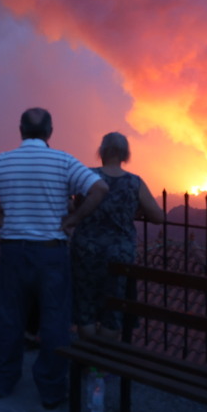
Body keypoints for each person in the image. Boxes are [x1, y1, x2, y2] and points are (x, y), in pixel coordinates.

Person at [0, 108, 108, 410]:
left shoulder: (3, 161)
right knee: (54, 322)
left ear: (20, 130)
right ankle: (51, 390)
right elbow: (99, 188)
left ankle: (3, 381)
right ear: (50, 131)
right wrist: (75, 218)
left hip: (13, 250)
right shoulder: (63, 161)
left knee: (11, 318)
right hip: (51, 252)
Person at [70, 132, 165, 341]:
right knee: (112, 310)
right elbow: (158, 216)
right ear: (125, 155)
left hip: (86, 250)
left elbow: (73, 205)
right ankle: (100, 368)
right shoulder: (134, 183)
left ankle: (88, 360)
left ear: (102, 152)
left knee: (85, 306)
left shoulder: (87, 176)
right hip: (118, 254)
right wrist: (136, 209)